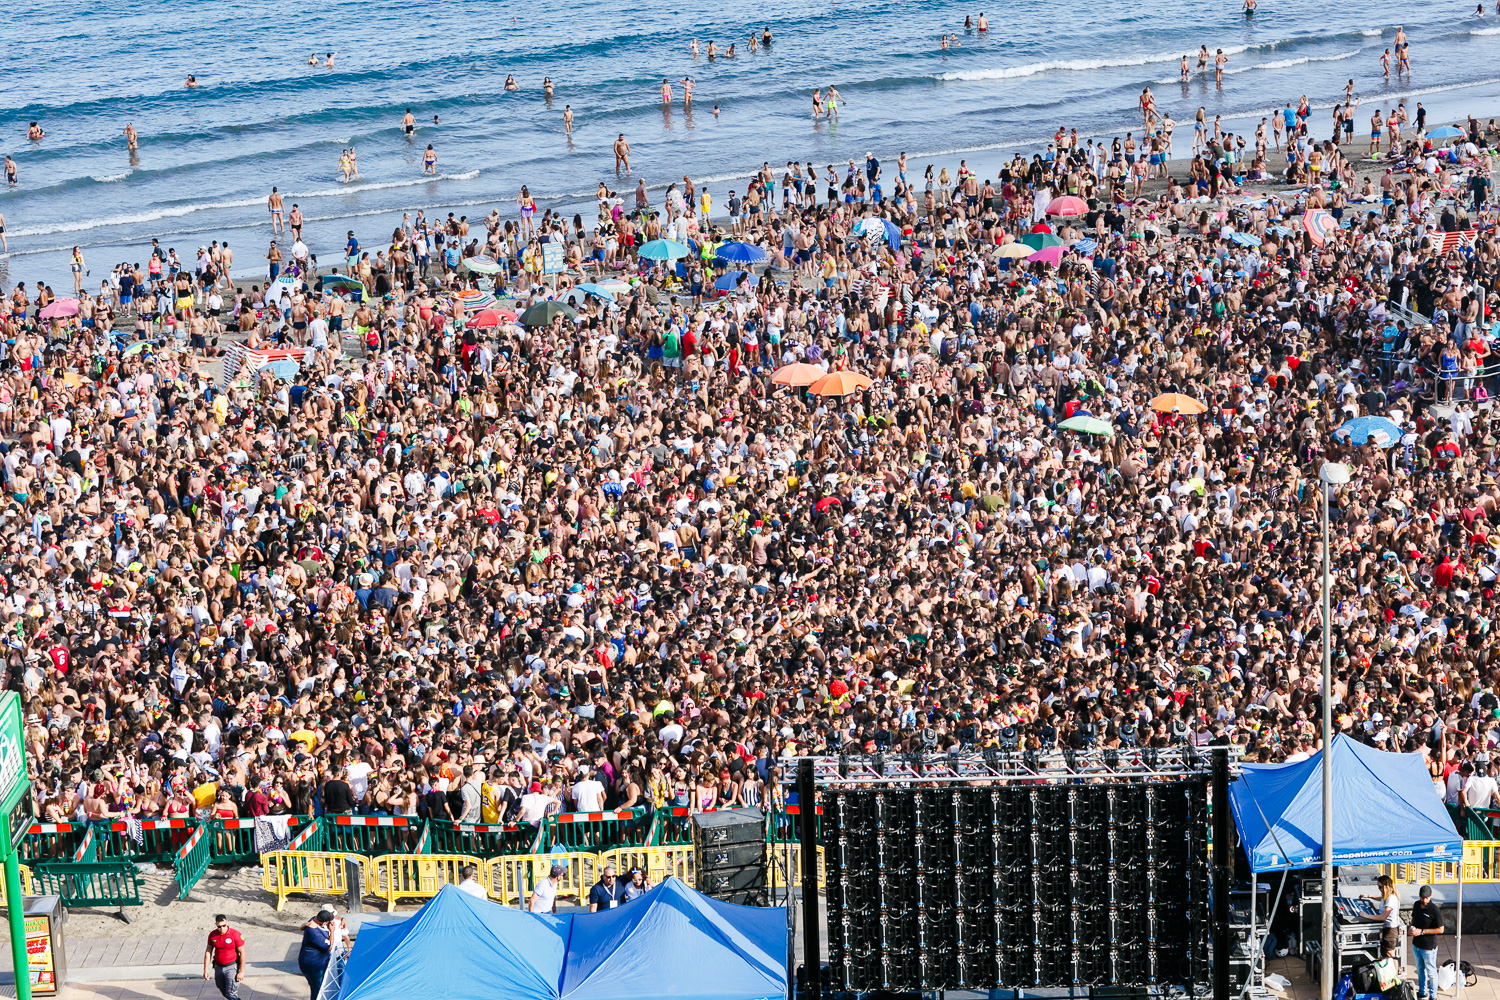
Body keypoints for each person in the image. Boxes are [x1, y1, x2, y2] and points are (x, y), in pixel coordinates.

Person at [1409, 884, 1444, 1000]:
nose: (1424, 900)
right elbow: (1414, 919)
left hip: (1428, 947)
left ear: (1430, 896)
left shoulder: (1434, 909)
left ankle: (1433, 996)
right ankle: (1422, 991)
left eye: (1427, 898)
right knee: (1420, 968)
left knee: (1431, 971)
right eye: (1422, 898)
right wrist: (1411, 927)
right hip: (1416, 944)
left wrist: (1422, 932)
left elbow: (1441, 929)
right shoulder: (1416, 905)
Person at [1358, 875, 1404, 958]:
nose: (1379, 889)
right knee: (1386, 953)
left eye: (1380, 887)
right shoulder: (1387, 895)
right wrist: (1369, 896)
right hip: (1387, 928)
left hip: (1390, 930)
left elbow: (1383, 917)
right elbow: (1381, 898)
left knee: (1390, 954)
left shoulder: (1391, 899)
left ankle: (1394, 971)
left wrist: (1367, 915)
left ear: (1386, 886)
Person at [204, 914, 245, 1000]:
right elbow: (208, 951)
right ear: (216, 925)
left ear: (227, 923)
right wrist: (205, 969)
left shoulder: (235, 934)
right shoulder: (213, 935)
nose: (222, 928)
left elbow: (242, 953)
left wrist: (241, 971)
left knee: (231, 993)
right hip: (218, 967)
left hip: (232, 967)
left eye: (224, 926)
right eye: (219, 926)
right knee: (222, 989)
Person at [298, 908, 334, 1000]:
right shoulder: (313, 933)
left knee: (320, 987)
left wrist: (342, 919)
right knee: (318, 990)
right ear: (324, 922)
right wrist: (332, 931)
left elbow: (302, 927)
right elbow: (328, 946)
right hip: (313, 966)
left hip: (318, 962)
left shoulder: (313, 920)